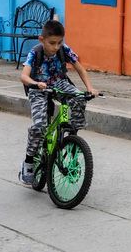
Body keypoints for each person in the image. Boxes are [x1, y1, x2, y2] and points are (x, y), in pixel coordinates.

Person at [17, 19, 97, 186]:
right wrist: (35, 84)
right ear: (42, 40)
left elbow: (80, 68)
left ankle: (72, 134)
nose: (56, 47)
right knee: (39, 126)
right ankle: (29, 162)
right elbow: (23, 76)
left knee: (79, 97)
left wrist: (90, 88)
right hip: (38, 88)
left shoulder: (64, 50)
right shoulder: (35, 52)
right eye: (52, 43)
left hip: (59, 83)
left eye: (59, 43)